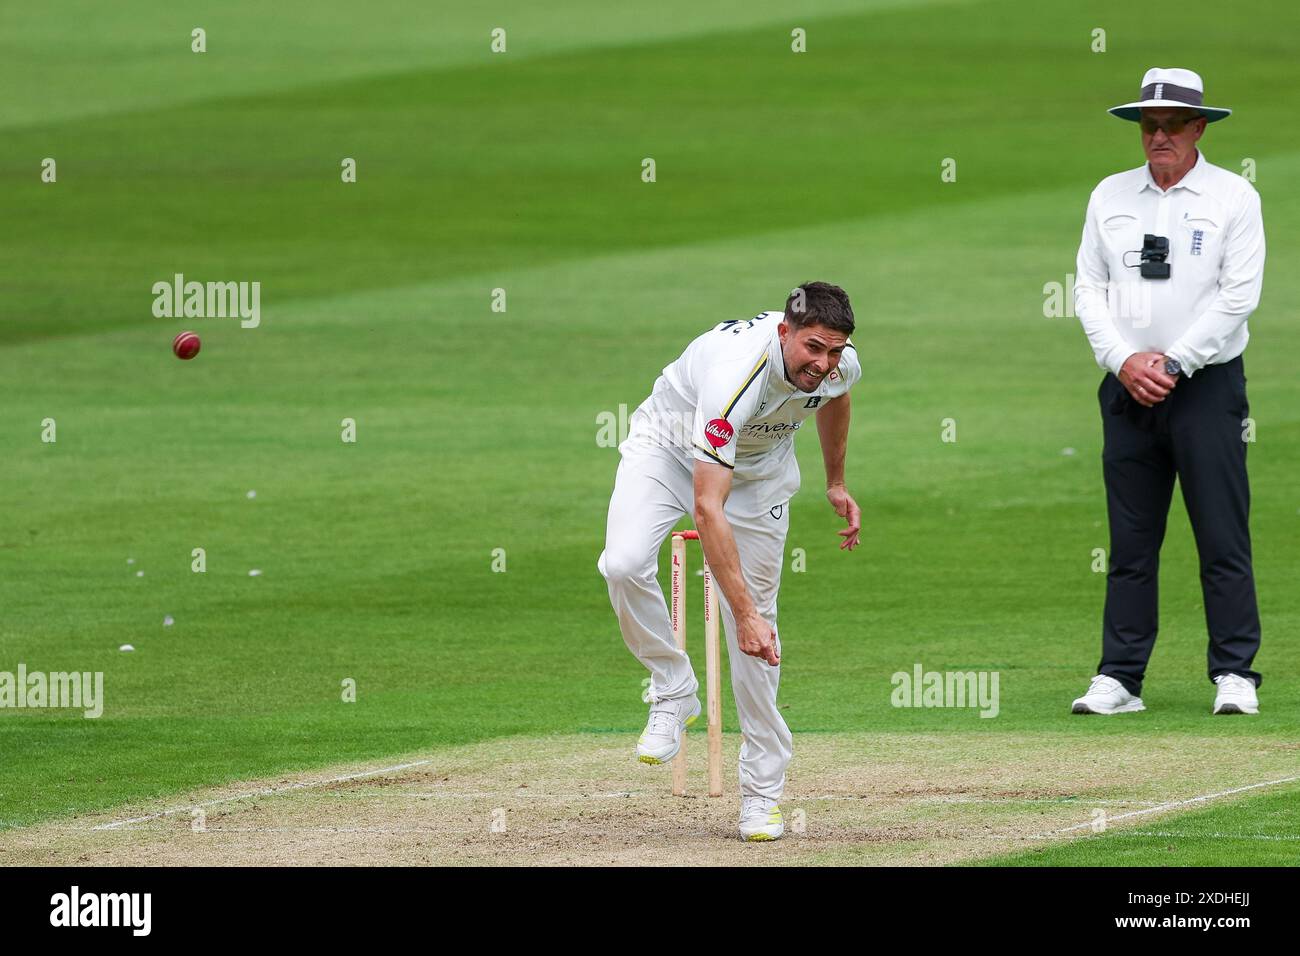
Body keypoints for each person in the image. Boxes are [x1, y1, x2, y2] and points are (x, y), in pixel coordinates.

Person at [597, 282, 863, 840]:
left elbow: (835, 402)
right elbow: (706, 506)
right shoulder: (733, 377)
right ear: (784, 332)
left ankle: (762, 797)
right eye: (813, 348)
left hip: (760, 477)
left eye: (834, 351)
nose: (823, 363)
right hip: (669, 450)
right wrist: (737, 612)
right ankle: (672, 686)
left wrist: (835, 482)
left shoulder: (840, 367)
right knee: (622, 564)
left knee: (760, 639)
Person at [1071, 68, 1266, 716]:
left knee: (1220, 531)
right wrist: (1124, 359)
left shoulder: (1233, 196)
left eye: (1172, 125)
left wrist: (1174, 362)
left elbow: (1239, 297)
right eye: (1149, 125)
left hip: (1206, 388)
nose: (1159, 135)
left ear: (1198, 127)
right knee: (1130, 540)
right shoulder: (1110, 195)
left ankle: (1235, 672)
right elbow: (1089, 290)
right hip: (1128, 389)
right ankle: (1120, 677)